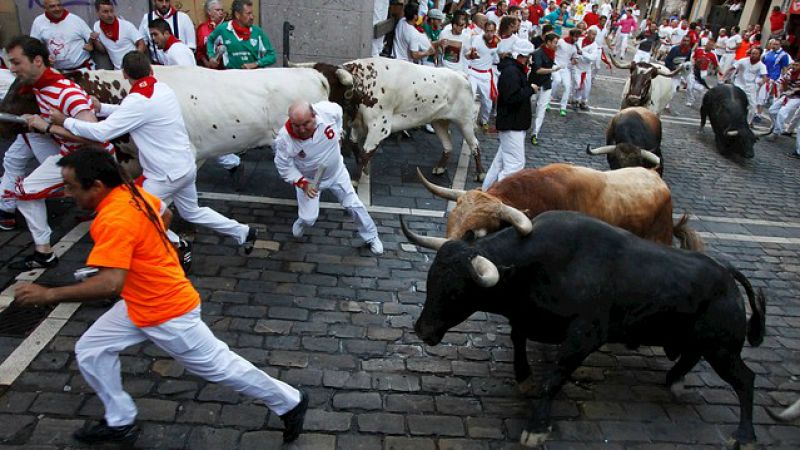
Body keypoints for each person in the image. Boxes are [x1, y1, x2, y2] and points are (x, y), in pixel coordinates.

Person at [12, 148, 308, 445]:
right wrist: (143, 254)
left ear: (98, 186)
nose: (67, 193)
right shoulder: (132, 193)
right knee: (92, 349)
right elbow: (164, 215)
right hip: (142, 302)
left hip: (168, 311)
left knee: (221, 367)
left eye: (72, 187)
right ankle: (120, 421)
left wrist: (48, 294)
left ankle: (290, 401)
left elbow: (110, 284)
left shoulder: (113, 218)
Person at [28, 51, 258, 254]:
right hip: (185, 166)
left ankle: (177, 246)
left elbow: (100, 133)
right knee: (192, 212)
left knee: (138, 213)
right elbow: (133, 112)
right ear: (150, 70)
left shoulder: (137, 101)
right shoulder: (161, 89)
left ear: (125, 75)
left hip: (164, 175)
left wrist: (64, 121)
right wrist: (102, 108)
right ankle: (243, 232)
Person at [8, 36, 114, 270]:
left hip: (94, 161)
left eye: (17, 63)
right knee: (25, 190)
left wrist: (46, 126)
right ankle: (43, 252)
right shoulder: (41, 86)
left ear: (37, 61)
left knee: (120, 213)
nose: (12, 69)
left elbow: (95, 138)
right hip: (72, 156)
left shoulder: (66, 92)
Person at [274, 101, 384, 255]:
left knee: (354, 205)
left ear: (314, 116)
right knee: (309, 219)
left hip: (336, 173)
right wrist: (303, 183)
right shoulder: (284, 139)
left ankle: (371, 237)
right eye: (296, 125)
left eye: (306, 124)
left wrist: (339, 132)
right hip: (310, 180)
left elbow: (339, 112)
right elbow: (283, 166)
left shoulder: (327, 111)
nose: (301, 129)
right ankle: (302, 221)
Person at [0, 68, 61, 231]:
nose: (13, 66)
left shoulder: (46, 81)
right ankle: (6, 210)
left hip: (34, 126)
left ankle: (44, 249)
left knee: (59, 170)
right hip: (27, 125)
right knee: (13, 160)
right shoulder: (22, 74)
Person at [482, 39, 537, 190]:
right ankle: (498, 195)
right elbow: (511, 97)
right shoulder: (512, 72)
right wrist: (531, 89)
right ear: (521, 56)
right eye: (528, 57)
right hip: (512, 124)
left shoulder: (513, 70)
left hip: (512, 123)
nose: (530, 60)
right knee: (515, 165)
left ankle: (486, 191)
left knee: (499, 163)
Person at [206, 0, 276, 69]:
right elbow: (210, 40)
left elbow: (272, 56)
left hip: (254, 76)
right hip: (230, 75)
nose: (252, 17)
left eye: (252, 13)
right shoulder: (223, 29)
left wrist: (256, 64)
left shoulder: (257, 32)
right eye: (248, 14)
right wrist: (211, 56)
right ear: (237, 15)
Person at [30, 0, 94, 71]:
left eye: (59, 5)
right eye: (52, 6)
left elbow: (90, 37)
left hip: (83, 69)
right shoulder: (38, 22)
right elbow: (34, 45)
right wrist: (44, 57)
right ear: (45, 8)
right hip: (59, 72)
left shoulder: (75, 19)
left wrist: (91, 44)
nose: (57, 9)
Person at [90, 0, 145, 71]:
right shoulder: (96, 27)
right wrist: (94, 40)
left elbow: (141, 43)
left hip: (135, 68)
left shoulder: (126, 25)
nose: (110, 15)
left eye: (111, 11)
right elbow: (104, 50)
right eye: (105, 12)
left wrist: (135, 61)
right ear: (97, 13)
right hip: (118, 71)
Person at [139, 0, 196, 65]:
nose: (164, 4)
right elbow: (142, 43)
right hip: (159, 66)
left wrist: (181, 56)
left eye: (167, 0)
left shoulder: (183, 18)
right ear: (154, 2)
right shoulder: (147, 18)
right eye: (160, 1)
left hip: (179, 61)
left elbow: (191, 46)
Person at [467, 19, 500, 130]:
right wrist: (473, 54)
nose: (489, 34)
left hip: (486, 75)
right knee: (470, 96)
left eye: (491, 31)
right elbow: (471, 52)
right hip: (473, 72)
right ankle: (468, 121)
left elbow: (496, 57)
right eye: (487, 31)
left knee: (488, 101)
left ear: (495, 30)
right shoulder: (476, 39)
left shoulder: (497, 42)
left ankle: (484, 120)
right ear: (484, 30)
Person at [529, 32, 559, 146]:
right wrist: (553, 70)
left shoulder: (552, 53)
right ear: (548, 42)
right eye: (555, 43)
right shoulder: (538, 53)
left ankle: (535, 133)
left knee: (541, 109)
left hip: (546, 84)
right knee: (530, 105)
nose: (556, 45)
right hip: (534, 83)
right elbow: (538, 70)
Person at [727, 47, 769, 124]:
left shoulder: (761, 65)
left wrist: (761, 83)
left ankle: (747, 123)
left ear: (759, 55)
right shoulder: (743, 61)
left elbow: (764, 77)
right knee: (734, 102)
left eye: (756, 54)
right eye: (752, 53)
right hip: (739, 84)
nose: (753, 55)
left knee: (753, 106)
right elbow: (732, 68)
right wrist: (723, 76)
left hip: (751, 86)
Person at [552, 28, 579, 116]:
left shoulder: (575, 47)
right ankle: (548, 99)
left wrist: (574, 61)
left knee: (568, 86)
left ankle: (563, 107)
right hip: (555, 64)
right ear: (570, 35)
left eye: (577, 37)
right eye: (575, 37)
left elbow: (573, 58)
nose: (576, 39)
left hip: (565, 68)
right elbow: (553, 49)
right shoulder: (561, 41)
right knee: (557, 80)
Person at [686, 38, 718, 107]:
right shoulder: (698, 50)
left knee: (701, 88)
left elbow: (716, 65)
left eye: (711, 45)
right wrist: (693, 64)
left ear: (712, 47)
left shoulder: (713, 55)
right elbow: (692, 58)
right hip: (694, 70)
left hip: (703, 72)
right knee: (689, 87)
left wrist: (720, 73)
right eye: (708, 44)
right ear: (706, 44)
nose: (709, 46)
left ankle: (703, 102)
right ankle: (690, 100)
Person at [573, 27, 599, 110]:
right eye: (592, 34)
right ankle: (576, 100)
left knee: (587, 86)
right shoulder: (579, 40)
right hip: (577, 66)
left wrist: (582, 53)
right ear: (588, 33)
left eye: (595, 34)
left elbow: (593, 57)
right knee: (577, 84)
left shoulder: (595, 46)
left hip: (586, 68)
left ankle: (583, 101)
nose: (593, 36)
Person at [195, 0, 226, 67]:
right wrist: (207, 63)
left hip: (226, 67)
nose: (221, 13)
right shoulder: (203, 29)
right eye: (217, 10)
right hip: (208, 66)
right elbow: (199, 51)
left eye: (222, 10)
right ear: (209, 12)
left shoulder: (227, 27)